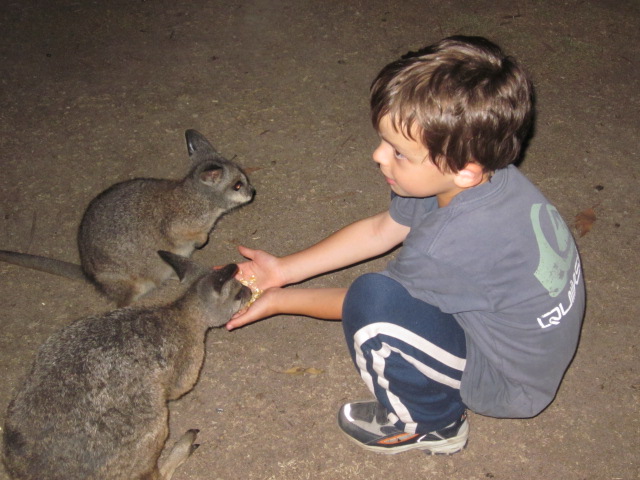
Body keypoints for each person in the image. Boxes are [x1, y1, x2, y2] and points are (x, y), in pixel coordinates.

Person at [226, 36, 585, 455]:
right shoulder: (485, 178)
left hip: (508, 383)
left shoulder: (450, 242)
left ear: (465, 171)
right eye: (383, 142)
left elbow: (360, 306)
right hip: (525, 346)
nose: (378, 156)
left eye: (398, 152)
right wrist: (282, 270)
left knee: (374, 304)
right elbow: (384, 228)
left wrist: (278, 299)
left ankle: (433, 424)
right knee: (392, 293)